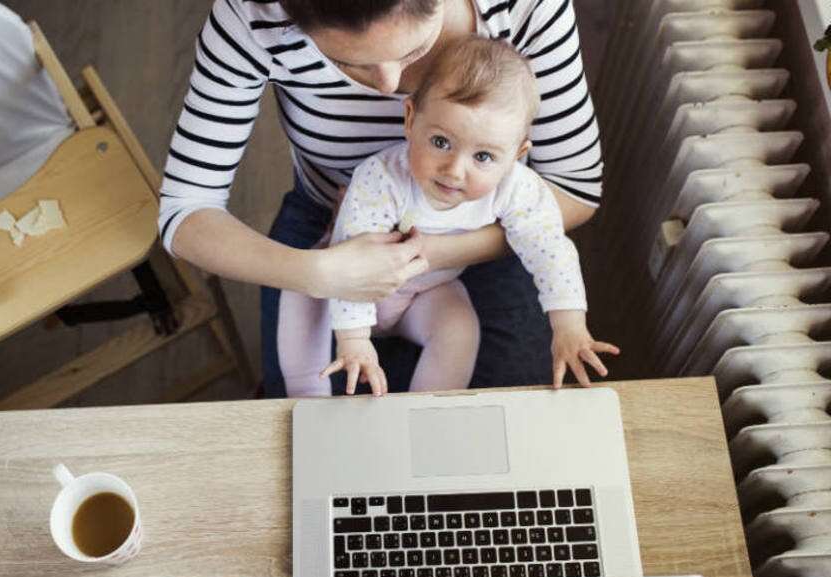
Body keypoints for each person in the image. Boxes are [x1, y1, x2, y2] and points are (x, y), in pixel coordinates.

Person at [158, 0, 604, 396]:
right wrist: (319, 272)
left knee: (508, 407)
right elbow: (185, 210)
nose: (390, 86)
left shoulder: (527, 8)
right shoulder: (252, 18)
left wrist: (430, 251)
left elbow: (573, 190)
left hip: (487, 232)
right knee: (307, 414)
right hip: (328, 229)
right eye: (346, 63)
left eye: (414, 52)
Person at [280, 36, 617, 397]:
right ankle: (305, 397)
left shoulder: (518, 188)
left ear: (517, 155)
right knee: (301, 292)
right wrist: (355, 340)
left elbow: (550, 250)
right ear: (410, 120)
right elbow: (352, 258)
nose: (455, 171)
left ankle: (428, 408)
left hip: (425, 291)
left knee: (458, 328)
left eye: (483, 157)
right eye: (441, 142)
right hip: (347, 283)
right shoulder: (382, 177)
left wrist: (569, 325)